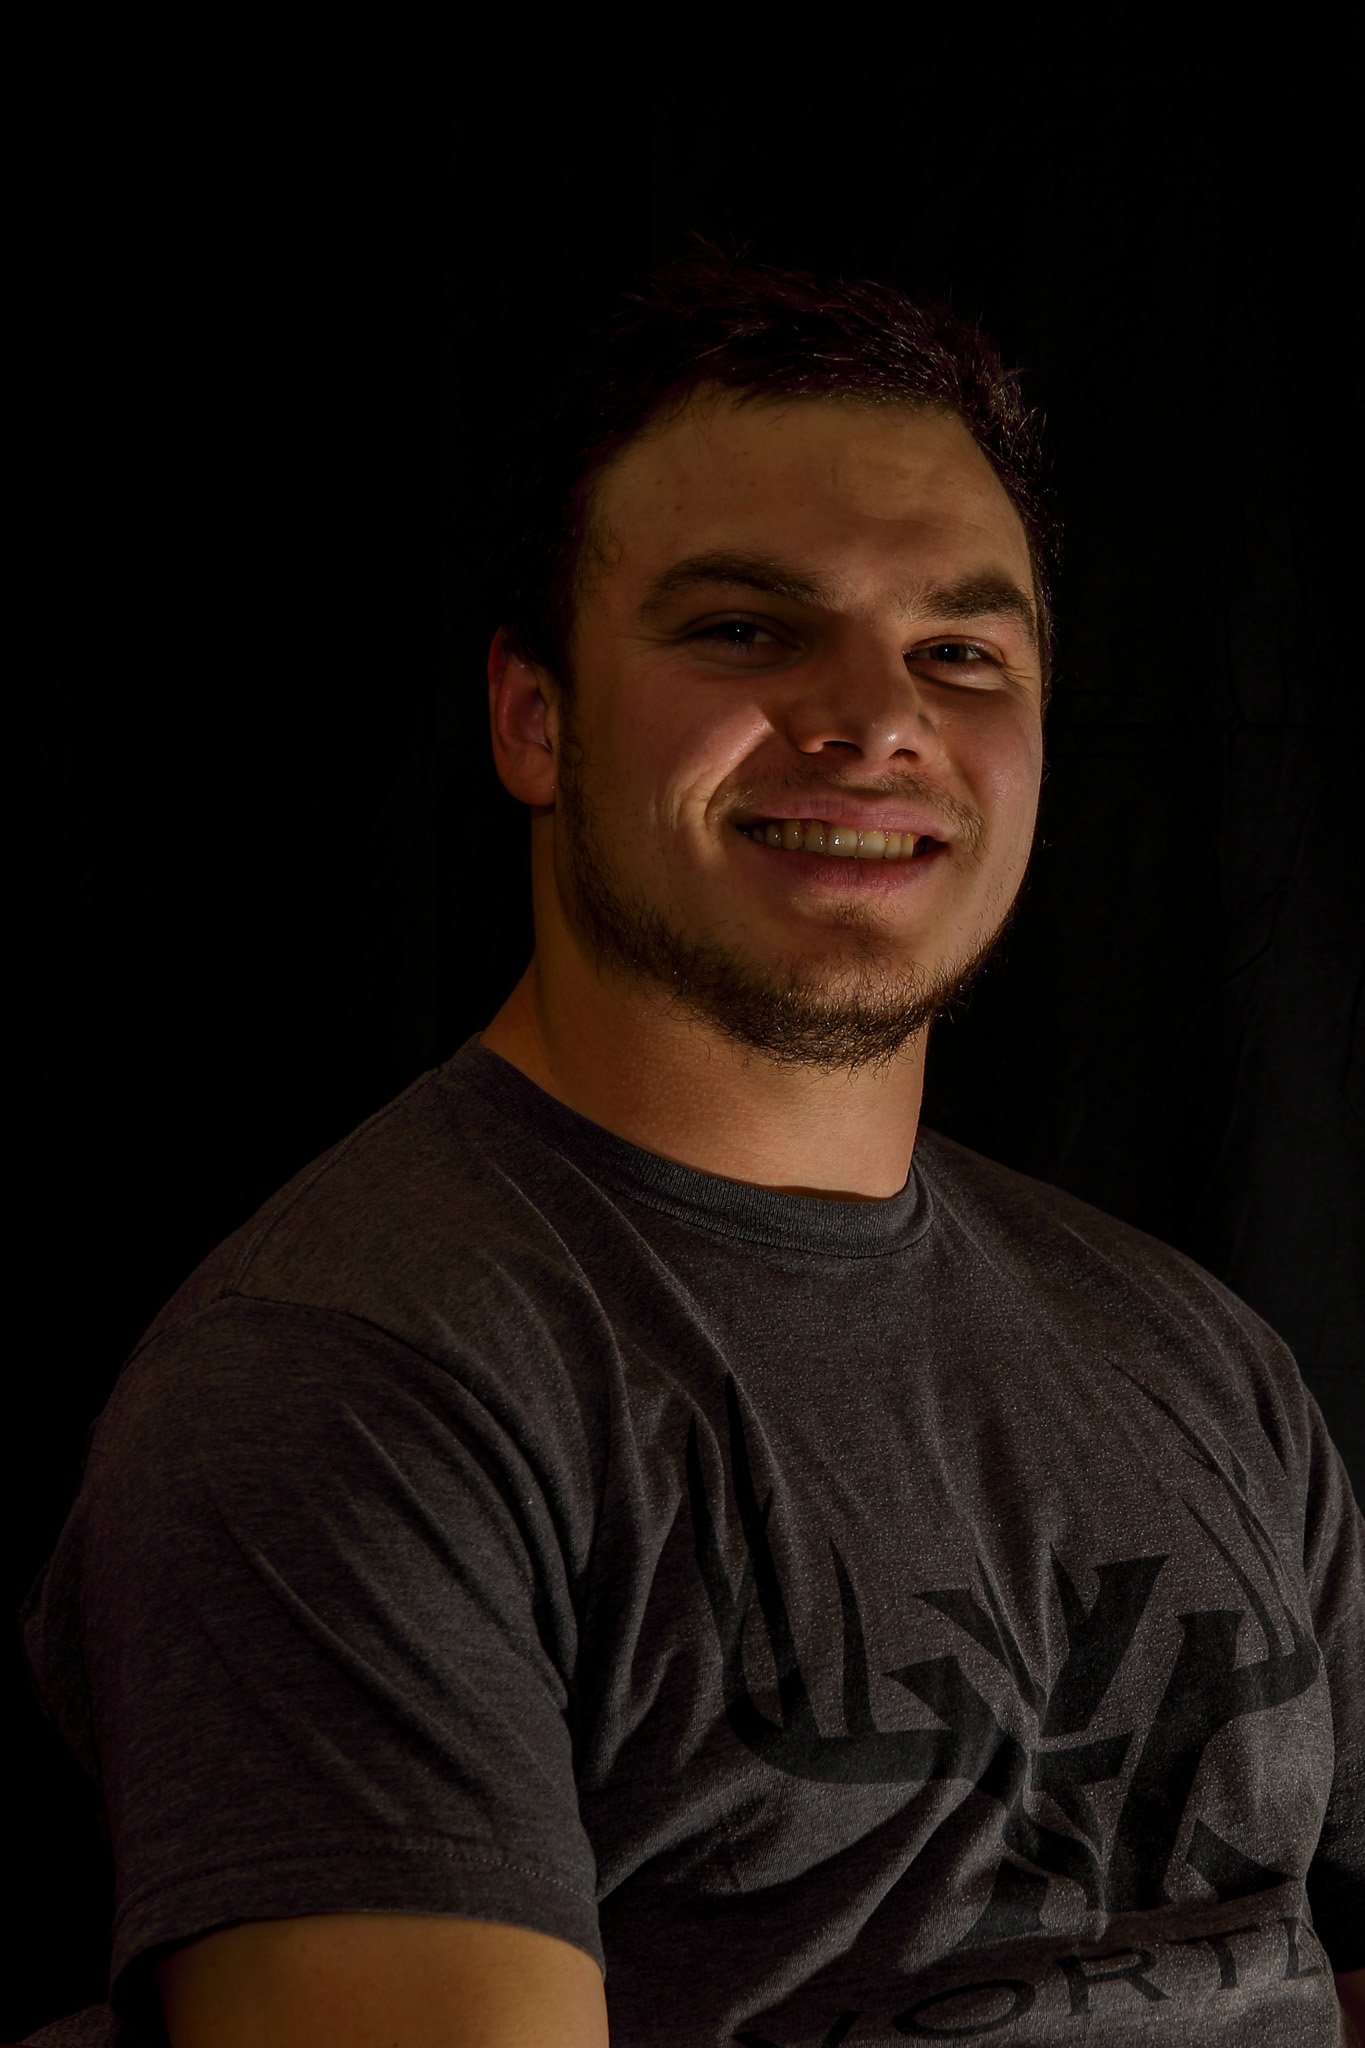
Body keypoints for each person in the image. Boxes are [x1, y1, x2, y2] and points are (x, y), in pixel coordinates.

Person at [19, 250, 1363, 2048]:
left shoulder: (1187, 1353)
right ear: (532, 717)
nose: (877, 720)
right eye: (743, 628)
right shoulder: (349, 1388)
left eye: (959, 651)